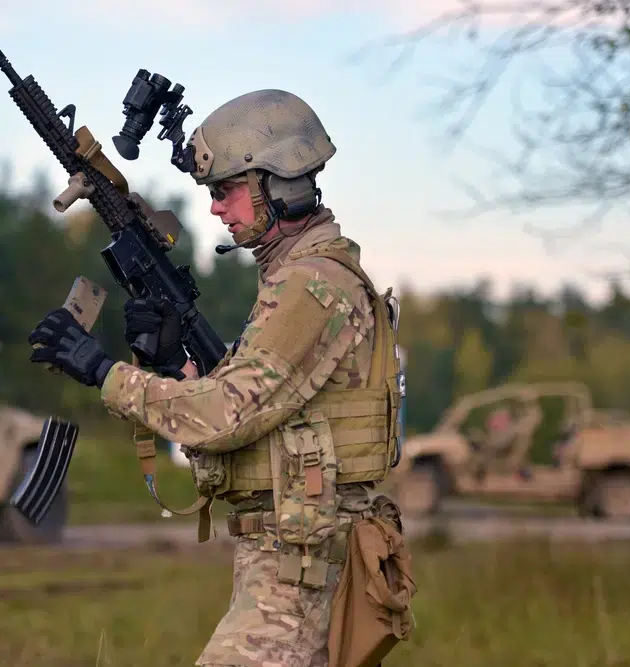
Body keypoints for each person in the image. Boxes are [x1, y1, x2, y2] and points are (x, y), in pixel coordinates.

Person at [28, 89, 410, 667]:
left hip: (301, 569)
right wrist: (171, 368)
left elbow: (226, 416)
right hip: (289, 558)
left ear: (277, 185)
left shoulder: (312, 286)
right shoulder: (294, 282)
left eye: (225, 191)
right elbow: (251, 412)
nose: (214, 210)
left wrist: (102, 371)